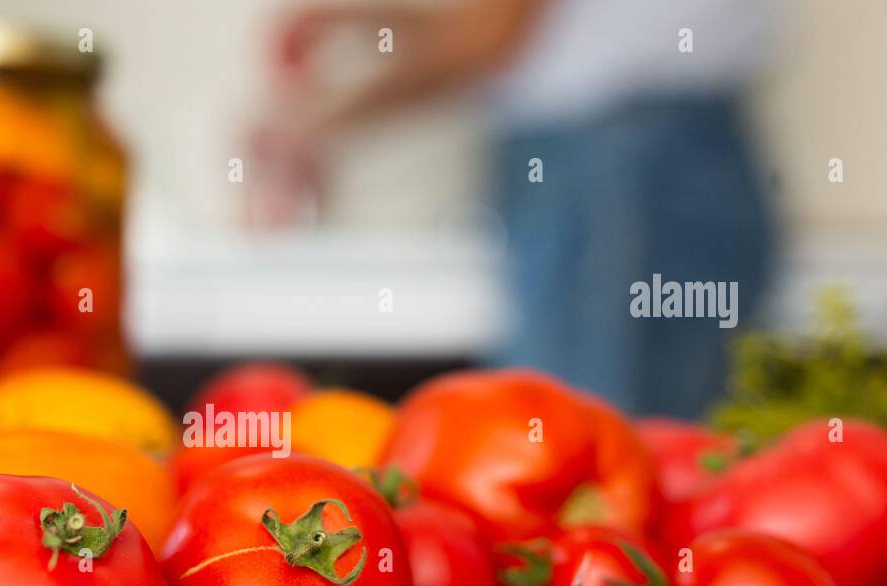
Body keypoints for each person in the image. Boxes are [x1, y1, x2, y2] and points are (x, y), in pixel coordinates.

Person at [262, 0, 778, 417]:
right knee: (637, 458)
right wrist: (373, 21)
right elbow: (513, 23)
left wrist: (309, 129)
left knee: (579, 448)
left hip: (617, 174)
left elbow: (493, 34)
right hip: (643, 160)